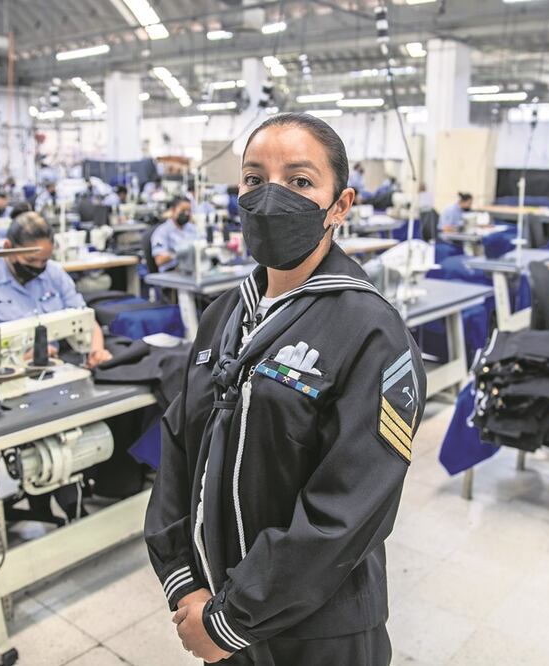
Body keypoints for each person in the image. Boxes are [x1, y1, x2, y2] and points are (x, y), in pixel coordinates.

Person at [145, 112, 425, 665]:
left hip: (317, 628)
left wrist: (233, 618)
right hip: (217, 605)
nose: (271, 198)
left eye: (299, 182)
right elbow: (179, 449)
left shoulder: (371, 332)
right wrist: (185, 583)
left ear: (339, 206)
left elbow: (348, 510)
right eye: (254, 179)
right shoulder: (223, 316)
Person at [0, 212, 112, 368]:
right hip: (4, 378)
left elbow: (87, 321)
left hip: (52, 368)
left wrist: (96, 352)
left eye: (44, 261)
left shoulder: (54, 274)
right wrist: (20, 359)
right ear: (8, 247)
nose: (38, 267)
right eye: (31, 260)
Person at [149, 196, 197, 271]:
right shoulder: (162, 232)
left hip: (192, 270)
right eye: (183, 210)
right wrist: (179, 252)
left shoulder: (192, 228)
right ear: (173, 210)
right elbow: (159, 260)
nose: (186, 214)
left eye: (189, 211)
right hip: (172, 272)